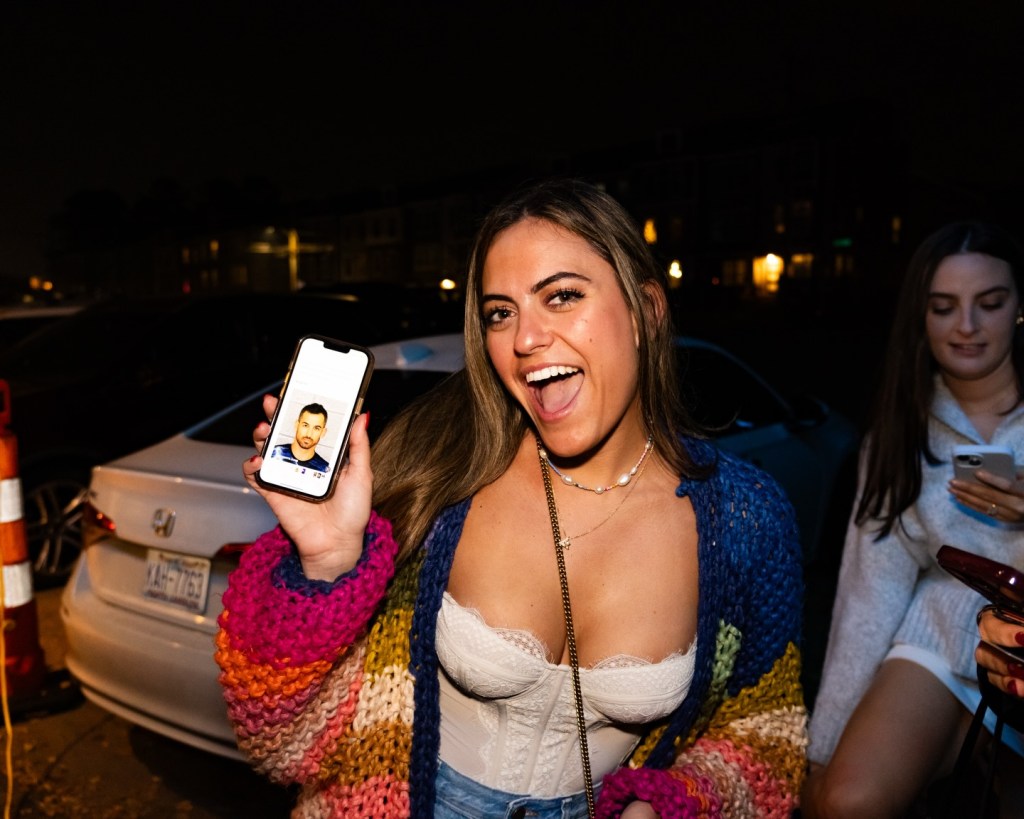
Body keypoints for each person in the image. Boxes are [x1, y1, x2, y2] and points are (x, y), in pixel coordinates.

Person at [215, 177, 807, 818]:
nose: (525, 339)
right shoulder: (437, 467)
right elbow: (275, 738)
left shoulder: (746, 521)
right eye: (501, 312)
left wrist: (671, 808)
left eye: (561, 296)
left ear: (647, 311)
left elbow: (764, 734)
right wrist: (327, 562)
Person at [802, 221, 1024, 819]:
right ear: (920, 320)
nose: (968, 327)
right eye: (944, 307)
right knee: (846, 802)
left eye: (991, 303)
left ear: (1020, 306)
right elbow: (869, 592)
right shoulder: (899, 435)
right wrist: (822, 750)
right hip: (943, 630)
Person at [269, 401, 330, 472]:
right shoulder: (274, 452)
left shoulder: (324, 468)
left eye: (316, 428)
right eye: (305, 425)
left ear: (323, 432)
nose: (309, 434)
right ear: (296, 425)